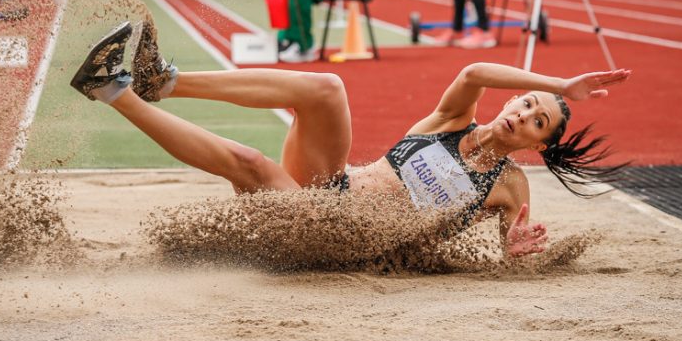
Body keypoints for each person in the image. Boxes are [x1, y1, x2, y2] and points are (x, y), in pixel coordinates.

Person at [68, 18, 631, 258]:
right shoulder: (450, 120)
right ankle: (164, 82)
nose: (525, 115)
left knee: (251, 163)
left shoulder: (507, 184)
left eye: (539, 123)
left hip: (342, 241)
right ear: (511, 99)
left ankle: (113, 91)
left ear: (537, 143)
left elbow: (516, 258)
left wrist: (517, 251)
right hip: (331, 189)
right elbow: (477, 72)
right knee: (328, 87)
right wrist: (560, 84)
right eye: (527, 103)